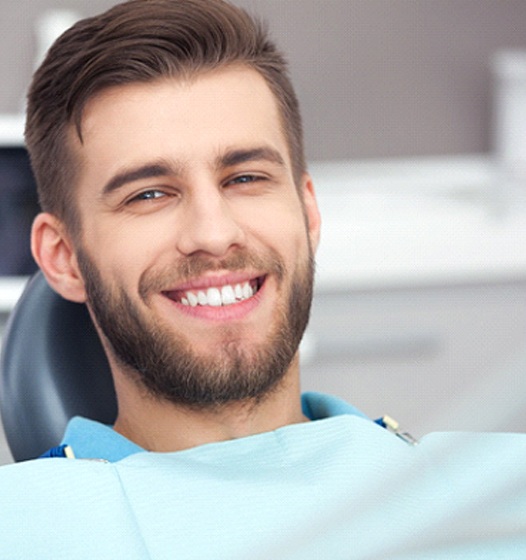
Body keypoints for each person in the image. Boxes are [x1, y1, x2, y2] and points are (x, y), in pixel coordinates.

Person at [1, 1, 526, 558]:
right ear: (62, 258)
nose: (214, 233)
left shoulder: (499, 491)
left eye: (245, 177)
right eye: (149, 193)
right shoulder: (25, 526)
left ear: (308, 213)